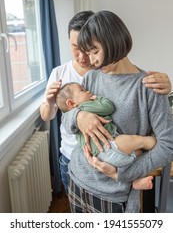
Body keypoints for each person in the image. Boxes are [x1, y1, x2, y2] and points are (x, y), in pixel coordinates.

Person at [40, 10, 172, 195]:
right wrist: (78, 116)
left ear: (112, 42)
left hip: (115, 194)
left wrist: (121, 174)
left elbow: (167, 145)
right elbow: (66, 117)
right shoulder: (91, 78)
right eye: (84, 51)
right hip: (78, 177)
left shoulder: (149, 86)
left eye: (94, 51)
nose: (90, 60)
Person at [56, 82, 155, 190]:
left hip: (100, 157)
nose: (88, 91)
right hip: (109, 147)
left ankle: (135, 180)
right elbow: (108, 107)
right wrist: (97, 98)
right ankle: (154, 141)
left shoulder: (73, 121)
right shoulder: (85, 106)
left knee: (135, 154)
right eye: (82, 90)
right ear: (71, 103)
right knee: (137, 140)